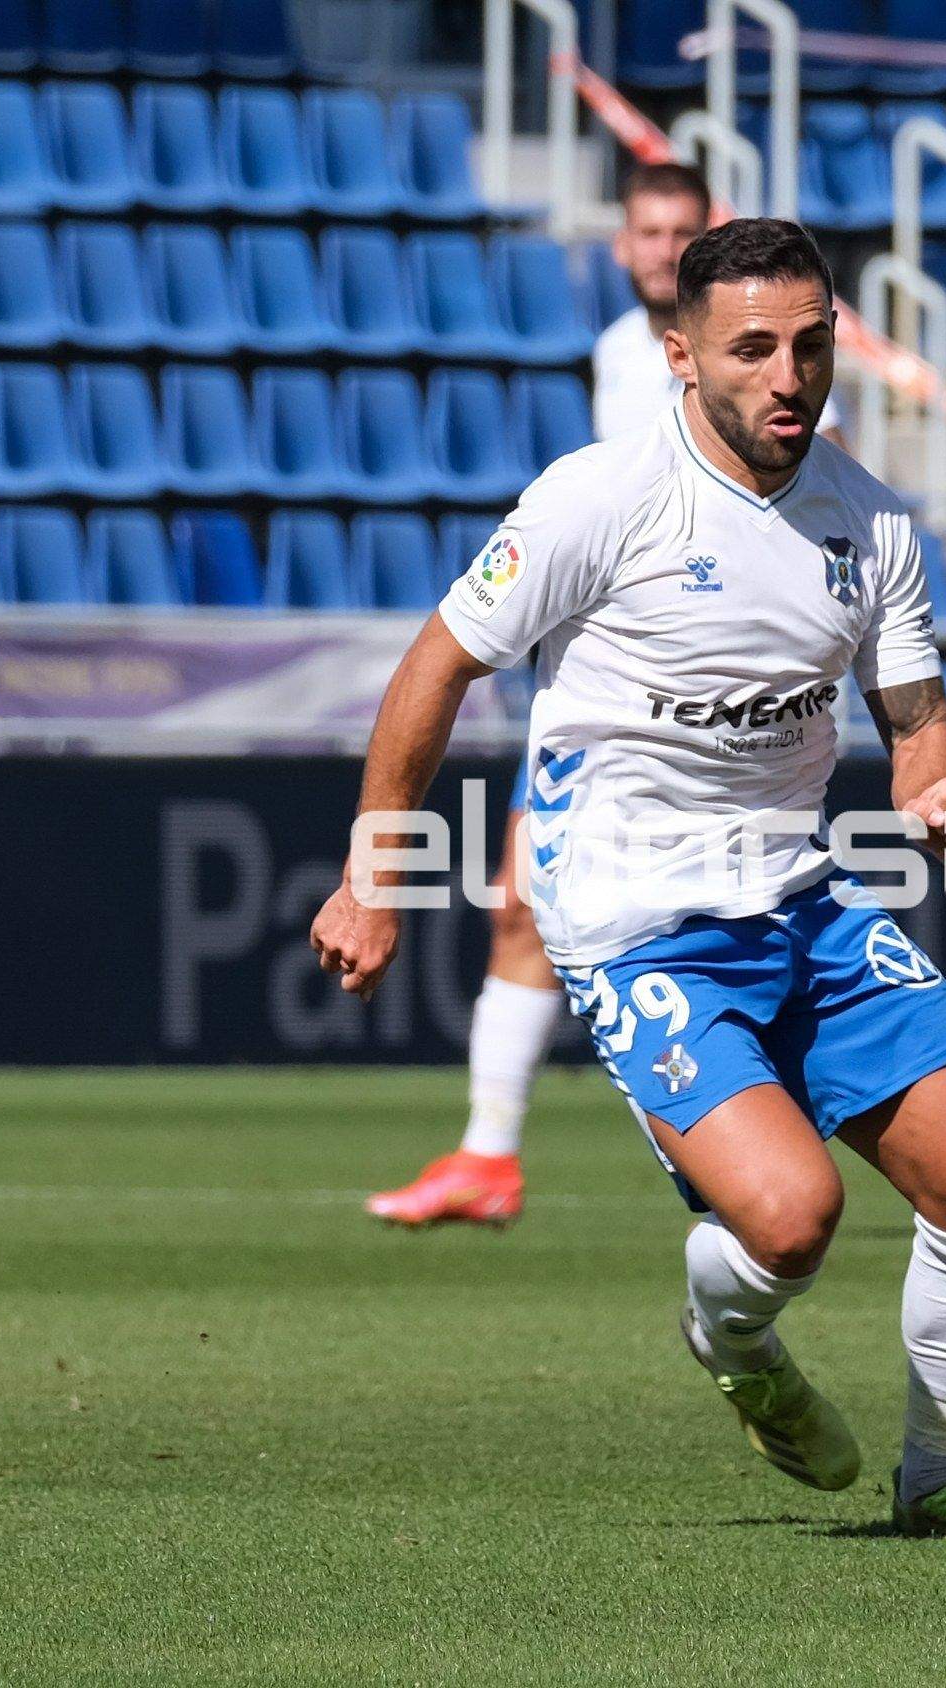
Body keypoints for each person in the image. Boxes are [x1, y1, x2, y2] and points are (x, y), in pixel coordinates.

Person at [314, 219, 946, 1534]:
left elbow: (918, 720)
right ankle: (739, 1347)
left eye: (811, 345)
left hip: (799, 897)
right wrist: (376, 875)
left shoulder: (869, 525)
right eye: (752, 348)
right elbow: (436, 664)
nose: (788, 377)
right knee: (793, 1219)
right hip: (634, 922)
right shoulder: (600, 499)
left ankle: (943, 1477)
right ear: (681, 356)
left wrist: (938, 786)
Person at [366, 162, 845, 1228]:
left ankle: (536, 1145)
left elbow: (804, 484)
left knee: (583, 906)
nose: (662, 245)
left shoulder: (760, 350)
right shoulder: (619, 356)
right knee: (521, 906)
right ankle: (493, 1150)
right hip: (615, 686)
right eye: (647, 229)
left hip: (714, 709)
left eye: (683, 227)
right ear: (621, 243)